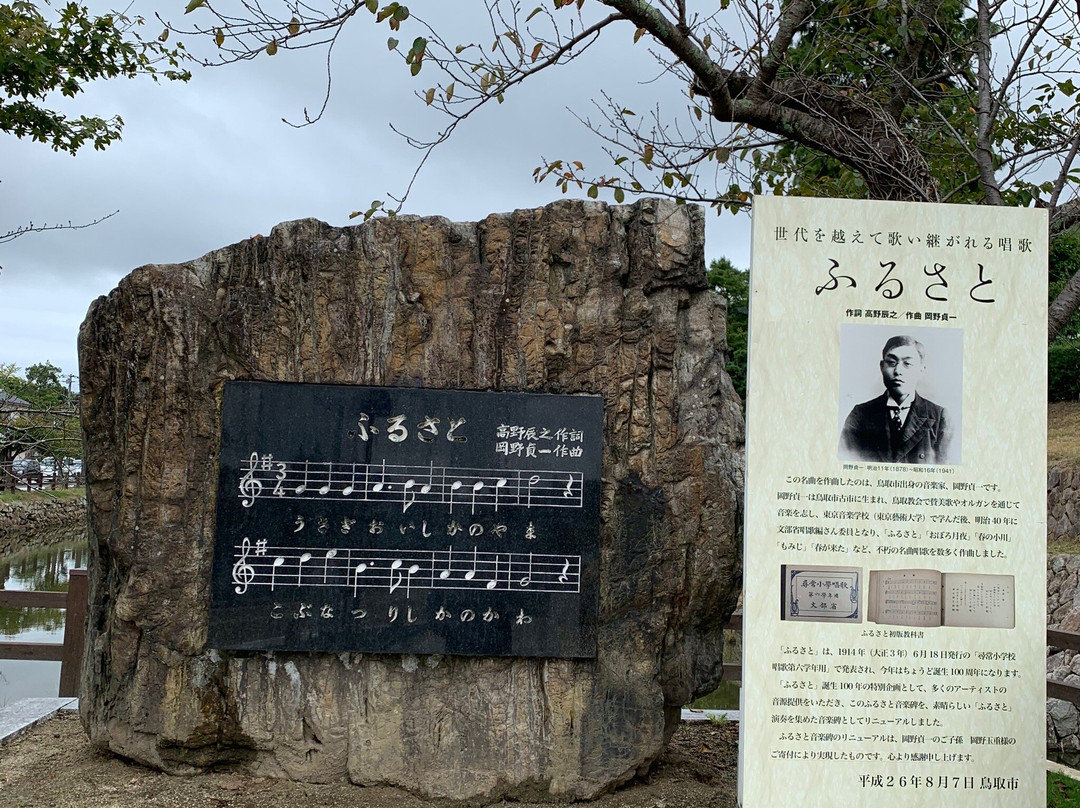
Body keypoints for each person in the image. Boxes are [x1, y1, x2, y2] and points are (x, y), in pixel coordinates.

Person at [839, 335, 954, 464]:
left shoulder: (939, 417)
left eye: (907, 364)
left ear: (921, 370)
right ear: (882, 367)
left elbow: (946, 472)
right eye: (891, 363)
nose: (898, 371)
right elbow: (846, 463)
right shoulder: (860, 415)